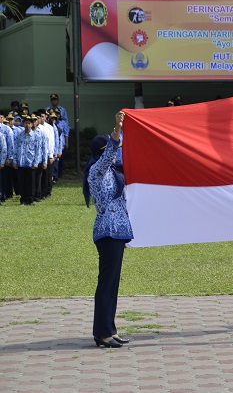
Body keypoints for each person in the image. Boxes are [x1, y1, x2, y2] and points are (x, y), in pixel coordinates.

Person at [84, 111, 133, 348]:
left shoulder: (113, 171)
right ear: (100, 154)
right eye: (109, 152)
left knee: (113, 284)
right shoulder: (97, 170)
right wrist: (117, 128)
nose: (114, 156)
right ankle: (101, 332)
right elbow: (109, 154)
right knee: (106, 284)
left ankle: (109, 330)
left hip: (117, 232)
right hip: (108, 231)